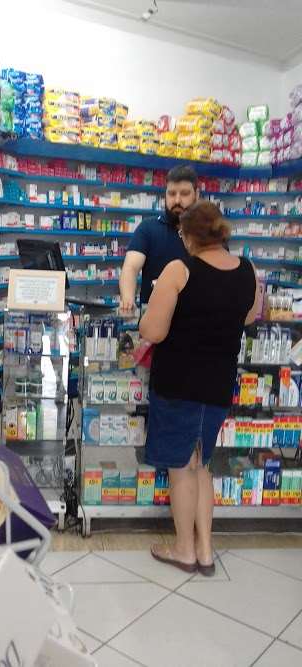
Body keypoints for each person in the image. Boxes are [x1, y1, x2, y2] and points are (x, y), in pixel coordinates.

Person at [139, 201, 259, 576]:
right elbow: (250, 316)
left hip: (179, 384)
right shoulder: (248, 271)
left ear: (188, 235)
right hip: (218, 385)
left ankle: (184, 550)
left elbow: (153, 331)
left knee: (181, 469)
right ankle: (206, 551)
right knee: (201, 464)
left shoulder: (179, 270)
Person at [119, 165, 199, 312]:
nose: (177, 200)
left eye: (184, 193)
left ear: (197, 195)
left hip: (196, 318)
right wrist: (127, 298)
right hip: (153, 318)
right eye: (172, 193)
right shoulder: (148, 228)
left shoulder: (207, 233)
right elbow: (130, 267)